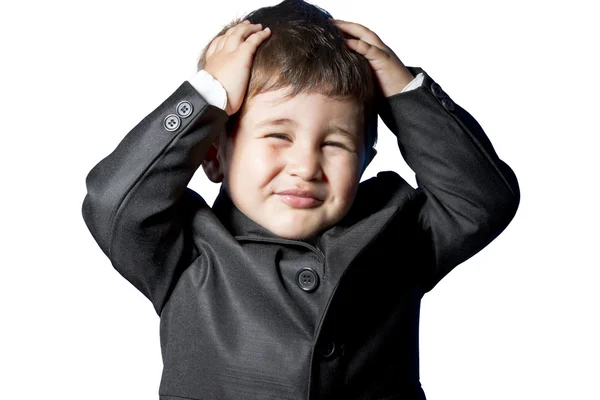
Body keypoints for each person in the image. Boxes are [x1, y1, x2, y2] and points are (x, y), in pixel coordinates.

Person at [81, 0, 520, 398]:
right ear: (213, 155)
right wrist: (206, 97)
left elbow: (483, 199)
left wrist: (405, 94)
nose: (306, 165)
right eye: (277, 135)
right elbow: (112, 201)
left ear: (366, 159)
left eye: (336, 143)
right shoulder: (185, 252)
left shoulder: (399, 233)